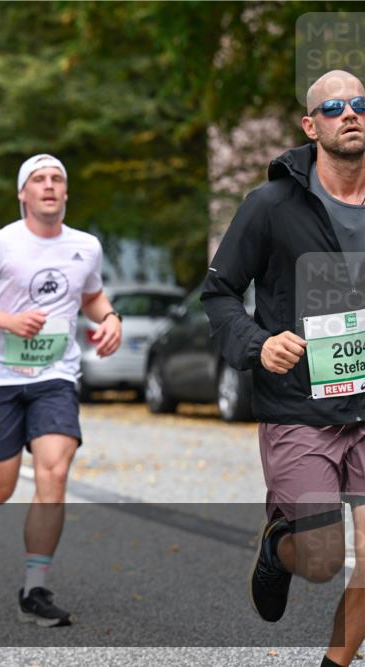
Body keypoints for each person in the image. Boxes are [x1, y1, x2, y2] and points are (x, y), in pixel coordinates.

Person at [201, 70, 365, 667]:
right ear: (311, 125)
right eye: (334, 108)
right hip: (300, 407)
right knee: (321, 561)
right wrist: (258, 344)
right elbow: (219, 294)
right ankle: (280, 544)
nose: (350, 114)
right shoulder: (270, 204)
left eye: (360, 105)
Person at [0, 153, 122, 627]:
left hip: (55, 378)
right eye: (38, 179)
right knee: (1, 489)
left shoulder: (86, 246)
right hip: (1, 377)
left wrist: (109, 319)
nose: (48, 186)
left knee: (54, 475)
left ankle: (34, 588)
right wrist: (8, 321)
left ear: (65, 192)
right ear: (22, 193)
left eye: (57, 179)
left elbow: (91, 296)